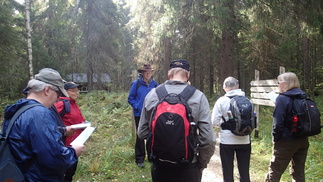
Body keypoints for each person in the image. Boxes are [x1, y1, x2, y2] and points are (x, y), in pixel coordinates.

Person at [138, 59, 216, 182]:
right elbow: (208, 139)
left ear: (169, 74)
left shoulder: (152, 94)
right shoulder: (198, 96)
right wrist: (201, 163)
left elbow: (142, 133)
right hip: (189, 166)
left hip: (160, 165)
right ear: (188, 75)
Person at [2, 68, 84, 182]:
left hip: (19, 174)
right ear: (47, 90)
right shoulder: (39, 114)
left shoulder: (17, 110)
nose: (58, 98)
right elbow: (53, 158)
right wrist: (73, 152)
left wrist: (63, 131)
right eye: (58, 93)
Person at [265, 72, 309, 182]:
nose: (277, 85)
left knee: (275, 171)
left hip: (286, 141)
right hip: (302, 140)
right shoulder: (303, 96)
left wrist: (275, 138)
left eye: (278, 82)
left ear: (285, 84)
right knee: (298, 172)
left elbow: (278, 123)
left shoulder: (282, 99)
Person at [211, 76, 251, 182]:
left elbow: (214, 122)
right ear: (237, 86)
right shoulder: (247, 100)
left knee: (227, 171)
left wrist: (225, 125)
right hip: (245, 140)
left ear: (224, 87)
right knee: (244, 171)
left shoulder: (221, 101)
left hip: (227, 141)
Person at [128, 64, 158, 168]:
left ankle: (151, 156)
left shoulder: (155, 85)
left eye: (150, 72)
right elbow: (130, 98)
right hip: (139, 114)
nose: (148, 74)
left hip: (152, 115)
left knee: (152, 135)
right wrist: (137, 107)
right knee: (140, 136)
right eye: (146, 72)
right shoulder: (136, 84)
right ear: (142, 73)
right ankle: (139, 159)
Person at [54, 81, 85, 182]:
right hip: (65, 145)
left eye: (77, 90)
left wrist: (84, 124)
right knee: (65, 173)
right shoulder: (61, 104)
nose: (76, 93)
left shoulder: (73, 104)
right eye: (73, 91)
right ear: (65, 91)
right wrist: (63, 131)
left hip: (75, 144)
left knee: (71, 172)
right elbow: (49, 123)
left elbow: (77, 120)